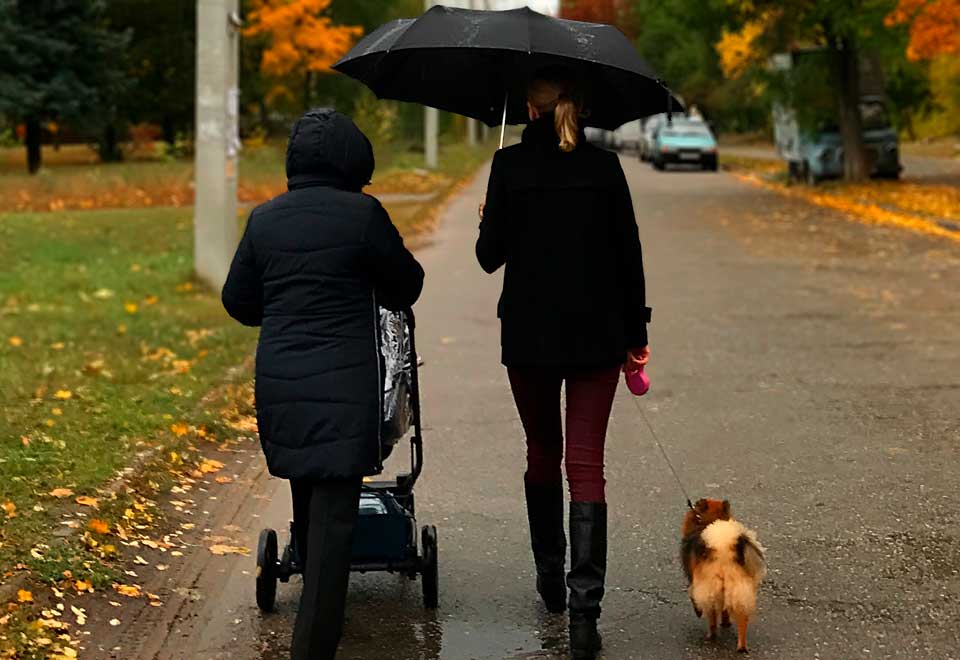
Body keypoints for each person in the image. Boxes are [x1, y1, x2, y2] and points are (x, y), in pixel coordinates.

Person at [221, 108, 424, 660]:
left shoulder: (265, 219)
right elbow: (407, 286)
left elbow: (237, 302)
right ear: (351, 159)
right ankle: (313, 644)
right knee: (333, 527)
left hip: (283, 384)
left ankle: (320, 610)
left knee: (310, 502)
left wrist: (285, 300)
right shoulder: (363, 215)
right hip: (345, 388)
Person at [476, 72, 650, 660]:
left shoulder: (508, 168)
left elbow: (486, 258)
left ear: (528, 107)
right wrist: (637, 334)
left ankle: (551, 582)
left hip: (528, 337)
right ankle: (583, 616)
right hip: (597, 337)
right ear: (575, 104)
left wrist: (489, 218)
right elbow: (629, 254)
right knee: (587, 465)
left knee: (542, 453)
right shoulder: (604, 169)